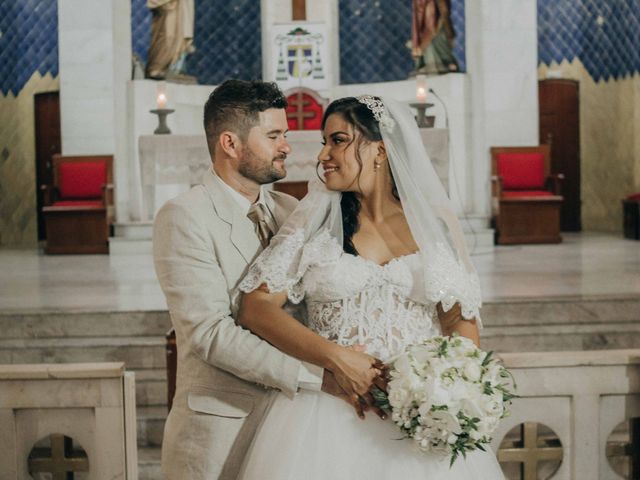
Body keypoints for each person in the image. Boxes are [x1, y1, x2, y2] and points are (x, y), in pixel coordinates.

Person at [235, 96, 505, 478]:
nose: (324, 154)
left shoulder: (433, 226)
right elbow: (255, 306)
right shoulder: (313, 221)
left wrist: (447, 388)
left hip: (418, 419)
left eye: (338, 140)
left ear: (380, 150)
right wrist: (336, 358)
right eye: (324, 142)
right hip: (331, 418)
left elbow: (459, 318)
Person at [153, 80, 383, 480]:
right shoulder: (184, 216)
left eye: (287, 135)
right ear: (230, 143)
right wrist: (322, 375)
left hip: (298, 433)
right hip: (223, 431)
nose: (287, 147)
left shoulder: (292, 208)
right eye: (274, 135)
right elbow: (210, 335)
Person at [145, 0, 195, 79]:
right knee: (166, 35)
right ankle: (156, 67)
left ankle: (174, 68)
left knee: (178, 34)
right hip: (166, 5)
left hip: (178, 5)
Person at [411, 0, 459, 75]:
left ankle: (444, 62)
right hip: (426, 18)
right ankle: (429, 63)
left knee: (438, 38)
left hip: (437, 18)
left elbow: (444, 10)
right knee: (428, 40)